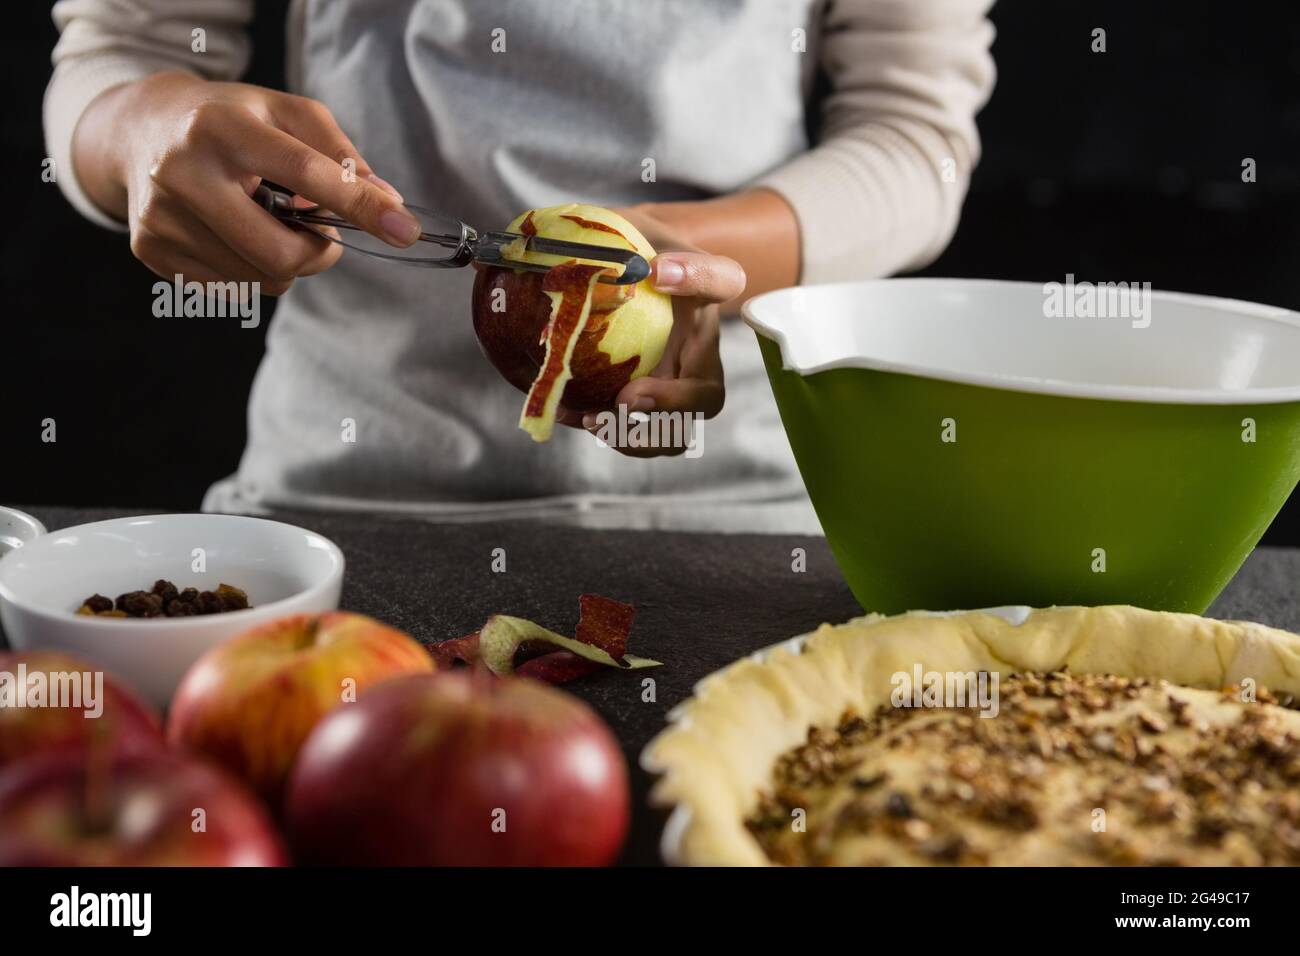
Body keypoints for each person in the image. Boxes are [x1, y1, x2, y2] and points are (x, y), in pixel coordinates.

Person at [47, 0, 994, 532]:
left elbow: (915, 138)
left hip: (740, 509)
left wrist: (689, 258)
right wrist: (142, 131)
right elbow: (124, 54)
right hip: (342, 498)